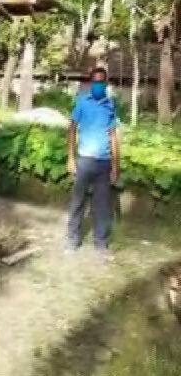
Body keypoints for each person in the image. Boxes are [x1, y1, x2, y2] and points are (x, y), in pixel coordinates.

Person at [66, 67, 120, 260]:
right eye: (95, 82)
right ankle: (72, 240)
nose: (98, 85)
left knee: (102, 206)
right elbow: (71, 129)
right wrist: (71, 158)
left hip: (104, 163)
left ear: (106, 83)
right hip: (84, 160)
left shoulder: (110, 105)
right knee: (78, 201)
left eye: (101, 82)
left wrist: (116, 165)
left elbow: (113, 135)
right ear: (91, 83)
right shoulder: (82, 103)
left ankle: (101, 243)